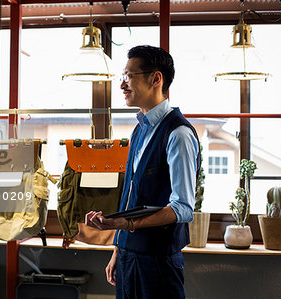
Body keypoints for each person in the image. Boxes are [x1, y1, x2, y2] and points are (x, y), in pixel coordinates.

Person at [85, 45, 200, 299]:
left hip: (158, 262)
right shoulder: (139, 130)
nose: (122, 85)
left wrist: (126, 224)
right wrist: (118, 248)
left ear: (155, 79)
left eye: (129, 76)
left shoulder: (178, 134)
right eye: (122, 77)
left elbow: (183, 208)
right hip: (128, 257)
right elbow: (131, 196)